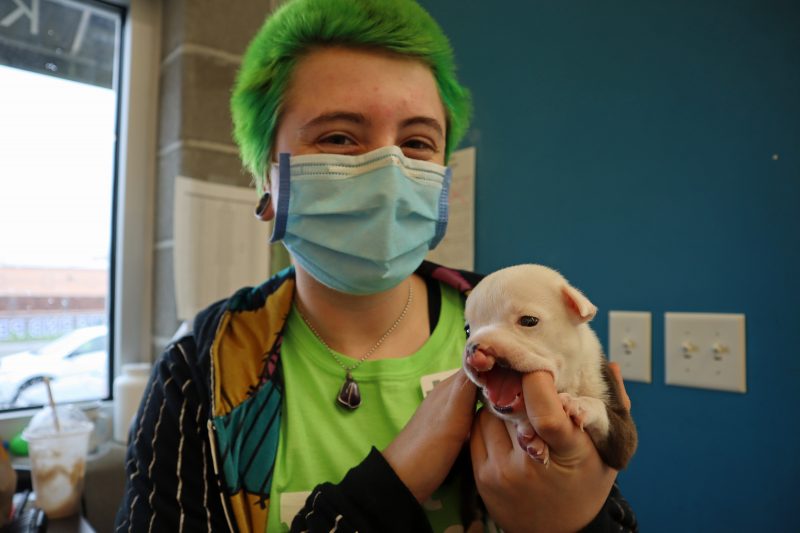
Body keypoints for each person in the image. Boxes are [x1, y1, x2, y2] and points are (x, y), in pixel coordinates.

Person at [114, 0, 638, 531]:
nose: (390, 173)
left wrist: (572, 523)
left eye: (417, 143)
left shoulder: (522, 322)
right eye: (338, 137)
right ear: (267, 181)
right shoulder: (201, 371)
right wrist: (392, 485)